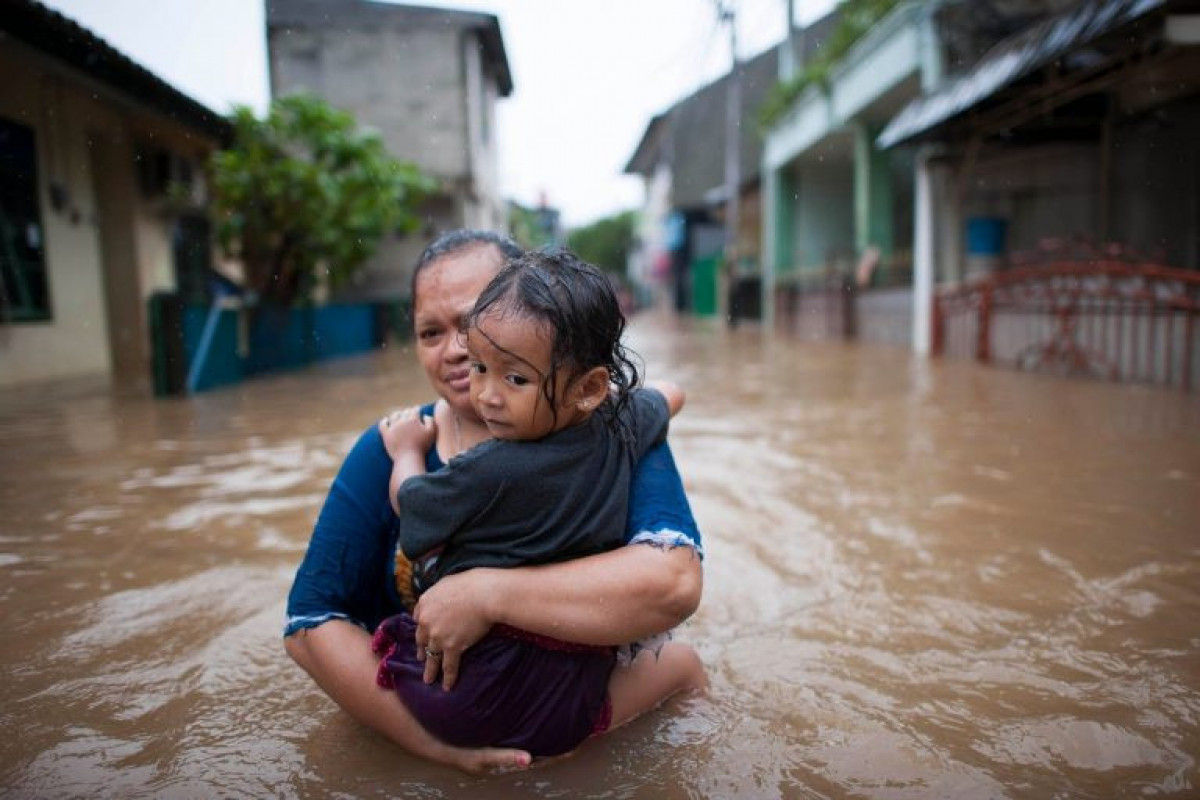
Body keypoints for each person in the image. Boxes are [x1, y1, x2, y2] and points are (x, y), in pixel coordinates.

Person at [284, 230, 705, 773]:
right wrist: (432, 747)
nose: (458, 348)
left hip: (539, 714)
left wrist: (487, 595)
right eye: (430, 331)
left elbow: (672, 584)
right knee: (683, 667)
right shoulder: (388, 444)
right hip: (448, 723)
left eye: (474, 319)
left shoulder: (613, 429)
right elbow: (310, 621)